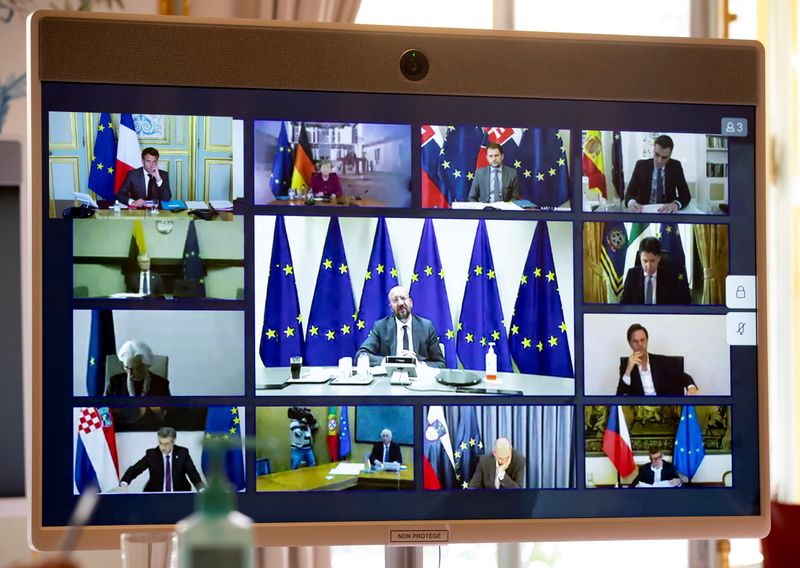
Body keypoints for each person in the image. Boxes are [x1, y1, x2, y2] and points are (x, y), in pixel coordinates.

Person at [355, 285, 446, 368]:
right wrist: (390, 361)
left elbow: (441, 363)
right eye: (395, 300)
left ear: (411, 302)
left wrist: (420, 364)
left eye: (403, 298)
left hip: (419, 380)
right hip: (389, 380)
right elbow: (361, 355)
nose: (400, 303)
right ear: (391, 307)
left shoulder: (426, 326)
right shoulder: (381, 327)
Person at [616, 323, 698, 396]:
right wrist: (628, 371)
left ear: (647, 340)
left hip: (662, 408)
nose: (640, 344)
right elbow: (619, 396)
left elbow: (683, 376)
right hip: (640, 410)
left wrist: (691, 387)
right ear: (630, 343)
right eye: (635, 341)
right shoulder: (626, 365)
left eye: (642, 340)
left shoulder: (660, 361)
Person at [119, 427, 204, 492]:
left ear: (173, 442)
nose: (162, 447)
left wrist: (202, 490)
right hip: (155, 495)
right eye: (160, 443)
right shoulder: (152, 454)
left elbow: (193, 474)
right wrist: (124, 483)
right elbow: (135, 469)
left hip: (179, 493)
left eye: (166, 444)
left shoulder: (182, 453)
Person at [624, 135, 690, 213]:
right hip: (644, 212)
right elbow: (629, 194)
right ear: (654, 149)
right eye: (657, 155)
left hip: (667, 213)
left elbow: (685, 195)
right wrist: (631, 202)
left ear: (670, 155)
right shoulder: (641, 165)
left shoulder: (675, 166)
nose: (659, 161)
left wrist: (676, 204)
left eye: (664, 157)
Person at [620, 237, 690, 304]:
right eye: (645, 261)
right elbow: (624, 304)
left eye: (652, 261)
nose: (648, 266)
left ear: (659, 258)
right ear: (640, 257)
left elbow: (679, 304)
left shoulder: (670, 277)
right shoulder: (632, 275)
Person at [105, 339, 171, 396]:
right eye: (126, 368)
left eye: (134, 368)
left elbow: (168, 409)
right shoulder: (114, 383)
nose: (130, 373)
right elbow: (102, 409)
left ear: (145, 365)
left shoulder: (161, 384)